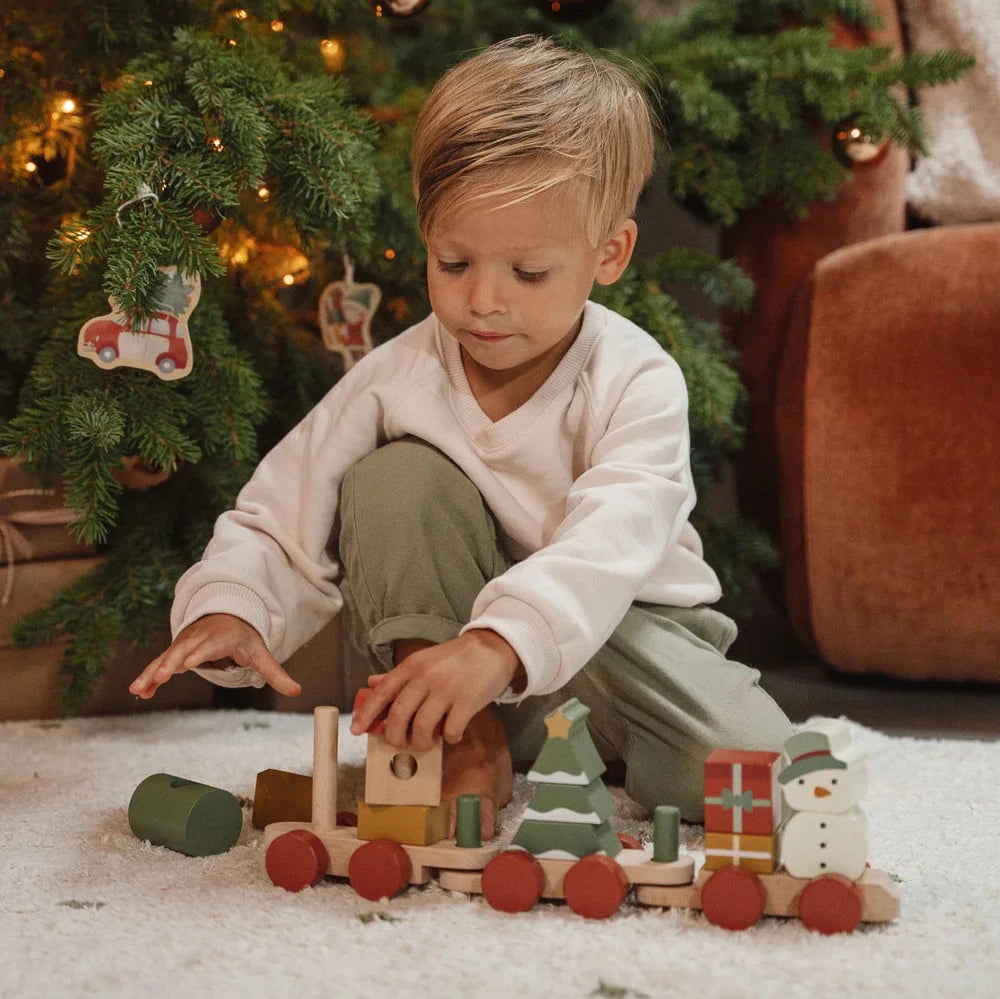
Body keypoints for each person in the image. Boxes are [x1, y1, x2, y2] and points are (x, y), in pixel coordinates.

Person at [130, 36, 792, 839]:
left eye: (528, 274)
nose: (482, 301)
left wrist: (501, 643)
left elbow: (613, 535)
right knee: (391, 477)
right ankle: (466, 738)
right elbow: (284, 503)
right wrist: (234, 607)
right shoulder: (398, 374)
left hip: (620, 637)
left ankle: (587, 750)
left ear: (608, 253)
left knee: (766, 779)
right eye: (453, 262)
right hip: (451, 653)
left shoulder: (635, 378)